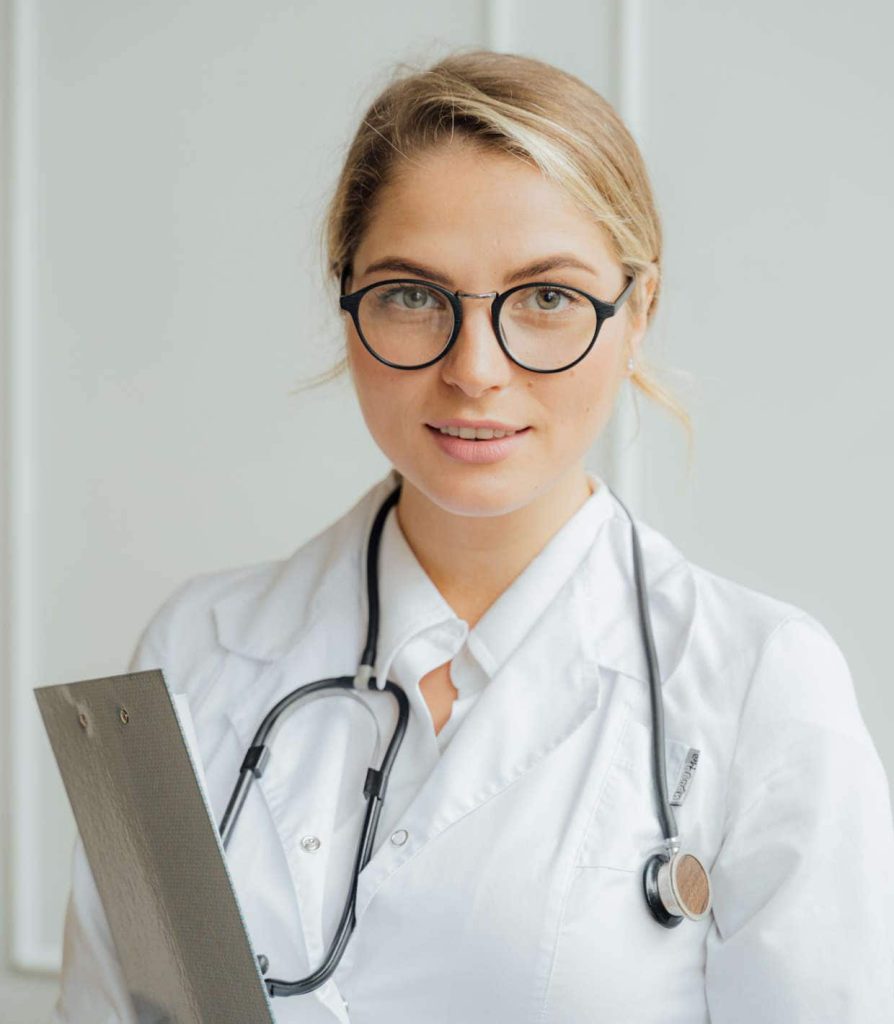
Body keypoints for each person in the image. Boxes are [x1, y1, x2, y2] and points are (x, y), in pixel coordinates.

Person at [50, 49, 894, 1024]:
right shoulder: (194, 652)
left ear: (639, 311)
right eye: (413, 295)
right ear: (347, 297)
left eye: (547, 298)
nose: (476, 368)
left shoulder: (761, 685)